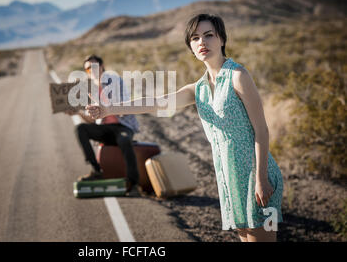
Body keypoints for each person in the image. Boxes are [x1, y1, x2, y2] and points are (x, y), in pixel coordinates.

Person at [85, 14, 284, 242]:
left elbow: (261, 130)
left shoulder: (238, 76)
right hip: (229, 177)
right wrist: (108, 110)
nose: (202, 42)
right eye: (195, 38)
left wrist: (261, 179)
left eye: (209, 35)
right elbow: (158, 102)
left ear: (221, 39)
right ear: (190, 46)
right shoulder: (197, 89)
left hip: (256, 174)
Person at [65, 54, 142, 194]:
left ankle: (133, 182)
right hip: (105, 129)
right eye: (88, 69)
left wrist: (106, 106)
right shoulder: (90, 89)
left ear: (101, 66)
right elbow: (93, 120)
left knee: (125, 140)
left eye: (94, 66)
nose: (91, 70)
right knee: (81, 129)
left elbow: (126, 107)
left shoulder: (115, 81)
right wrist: (78, 113)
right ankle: (97, 170)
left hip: (122, 126)